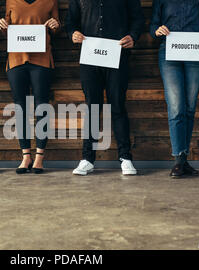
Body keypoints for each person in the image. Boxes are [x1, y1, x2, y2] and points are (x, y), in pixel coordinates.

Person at [66, 0, 145, 176]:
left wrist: (133, 36)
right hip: (89, 57)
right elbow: (70, 22)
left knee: (117, 106)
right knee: (92, 107)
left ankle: (125, 158)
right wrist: (73, 33)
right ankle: (87, 159)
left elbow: (138, 19)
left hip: (117, 56)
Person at [150, 0, 199, 178]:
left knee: (189, 108)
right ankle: (178, 160)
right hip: (169, 53)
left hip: (196, 52)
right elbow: (153, 26)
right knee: (176, 107)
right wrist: (157, 30)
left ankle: (183, 159)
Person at [0, 0, 60, 174]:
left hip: (42, 59)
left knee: (42, 107)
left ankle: (39, 156)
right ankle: (26, 156)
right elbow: (6, 27)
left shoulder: (50, 1)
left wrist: (55, 24)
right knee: (20, 108)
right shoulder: (11, 0)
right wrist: (1, 25)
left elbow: (56, 26)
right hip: (16, 59)